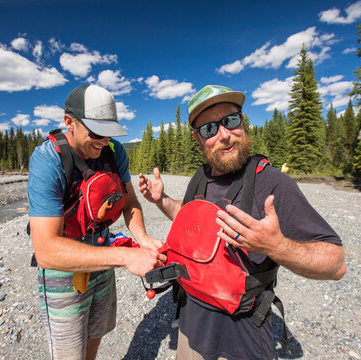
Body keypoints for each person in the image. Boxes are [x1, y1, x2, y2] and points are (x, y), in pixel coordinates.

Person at [139, 85, 346, 359]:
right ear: (198, 139)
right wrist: (161, 199)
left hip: (243, 335)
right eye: (209, 129)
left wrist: (278, 246)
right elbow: (191, 218)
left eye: (230, 121)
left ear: (243, 122)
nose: (224, 135)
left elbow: (336, 263)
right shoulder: (200, 178)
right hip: (191, 324)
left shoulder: (272, 183)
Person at [28, 84, 165, 360]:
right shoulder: (47, 160)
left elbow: (130, 202)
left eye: (109, 134)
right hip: (64, 267)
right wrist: (124, 257)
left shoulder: (113, 152)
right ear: (70, 123)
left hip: (103, 254)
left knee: (95, 332)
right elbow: (45, 250)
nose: (104, 142)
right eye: (97, 133)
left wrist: (142, 238)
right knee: (69, 352)